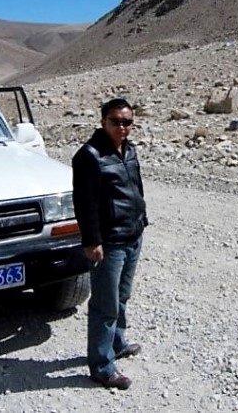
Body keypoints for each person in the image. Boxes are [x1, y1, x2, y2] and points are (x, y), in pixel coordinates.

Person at [72, 98, 148, 390]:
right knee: (105, 304)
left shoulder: (129, 150)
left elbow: (135, 188)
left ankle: (117, 343)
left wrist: (142, 219)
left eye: (127, 122)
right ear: (103, 121)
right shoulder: (89, 156)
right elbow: (85, 203)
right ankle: (102, 366)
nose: (122, 127)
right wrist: (92, 241)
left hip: (132, 235)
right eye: (116, 121)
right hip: (109, 243)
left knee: (122, 295)